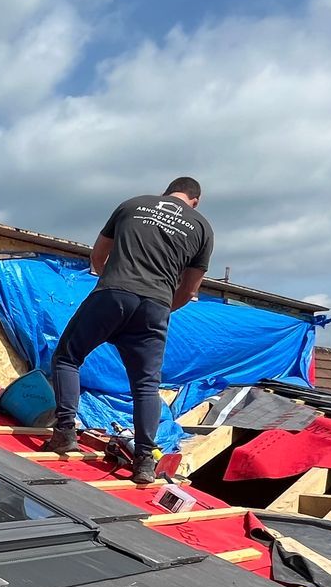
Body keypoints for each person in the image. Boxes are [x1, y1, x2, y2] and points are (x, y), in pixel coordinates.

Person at [46, 176, 213, 485]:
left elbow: (98, 255)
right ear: (195, 201)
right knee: (146, 386)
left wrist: (112, 287)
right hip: (156, 307)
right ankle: (145, 462)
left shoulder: (132, 205)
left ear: (167, 191)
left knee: (68, 358)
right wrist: (159, 307)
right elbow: (189, 290)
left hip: (113, 293)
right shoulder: (202, 227)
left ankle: (65, 433)